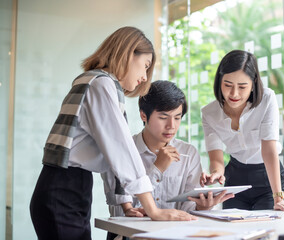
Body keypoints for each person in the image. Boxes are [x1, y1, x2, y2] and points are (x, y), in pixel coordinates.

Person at [29, 27, 196, 240]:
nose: (145, 77)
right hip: (64, 189)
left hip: (67, 187)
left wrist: (126, 205)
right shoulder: (101, 84)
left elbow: (112, 154)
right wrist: (153, 209)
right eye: (145, 66)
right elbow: (121, 151)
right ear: (128, 55)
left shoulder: (90, 80)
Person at [103, 80, 233, 240]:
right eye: (163, 117)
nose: (171, 125)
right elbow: (122, 213)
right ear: (143, 115)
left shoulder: (188, 153)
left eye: (177, 118)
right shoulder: (123, 152)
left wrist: (201, 207)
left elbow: (187, 211)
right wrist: (157, 169)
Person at [200, 50, 284, 211]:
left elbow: (269, 150)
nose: (234, 93)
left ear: (254, 83)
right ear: (219, 81)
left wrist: (278, 197)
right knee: (234, 230)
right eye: (227, 85)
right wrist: (216, 173)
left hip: (267, 176)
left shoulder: (267, 99)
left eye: (242, 87)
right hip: (235, 178)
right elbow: (216, 157)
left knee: (267, 229)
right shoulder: (209, 113)